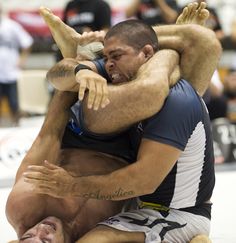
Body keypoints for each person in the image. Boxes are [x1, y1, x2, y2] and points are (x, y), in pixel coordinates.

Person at [19, 2, 221, 243]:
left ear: (147, 54)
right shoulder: (121, 69)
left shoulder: (176, 99)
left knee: (188, 55)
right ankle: (167, 41)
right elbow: (57, 78)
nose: (109, 63)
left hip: (175, 213)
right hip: (138, 205)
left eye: (114, 55)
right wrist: (80, 68)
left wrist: (72, 186)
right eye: (105, 56)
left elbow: (143, 181)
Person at [0, 4, 33, 125]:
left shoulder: (11, 26)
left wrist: (22, 60)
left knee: (14, 102)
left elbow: (27, 42)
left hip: (10, 71)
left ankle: (16, 125)